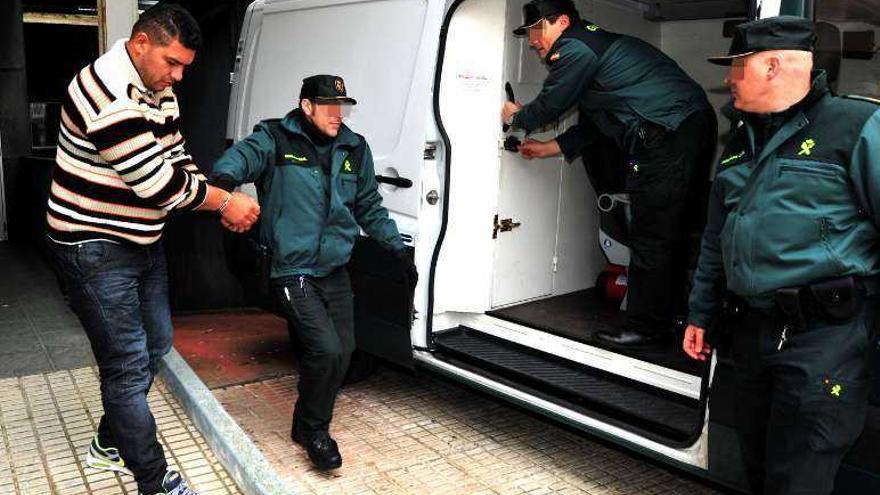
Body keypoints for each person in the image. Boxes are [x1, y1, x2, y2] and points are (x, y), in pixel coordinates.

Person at [46, 5, 260, 495]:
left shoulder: (156, 85)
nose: (179, 77)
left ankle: (109, 440)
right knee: (125, 365)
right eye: (172, 62)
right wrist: (224, 202)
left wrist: (209, 190)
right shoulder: (106, 95)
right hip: (93, 247)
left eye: (185, 65)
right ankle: (153, 482)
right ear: (139, 42)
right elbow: (159, 185)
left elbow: (176, 152)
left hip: (141, 241)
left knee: (157, 346)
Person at [683, 16, 880, 495]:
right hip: (749, 330)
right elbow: (717, 236)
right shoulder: (739, 141)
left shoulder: (857, 126)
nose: (729, 79)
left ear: (772, 66)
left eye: (737, 67)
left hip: (825, 337)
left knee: (799, 477)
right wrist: (701, 313)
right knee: (754, 464)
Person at [210, 74, 415, 471]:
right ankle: (314, 430)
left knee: (345, 350)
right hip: (291, 267)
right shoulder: (275, 139)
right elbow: (238, 160)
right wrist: (223, 188)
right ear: (306, 107)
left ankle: (307, 421)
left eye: (342, 106)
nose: (337, 114)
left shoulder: (355, 148)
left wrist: (396, 248)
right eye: (328, 106)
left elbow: (369, 205)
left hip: (334, 267)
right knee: (325, 350)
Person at [502, 0, 717, 347]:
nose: (532, 41)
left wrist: (515, 117)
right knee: (671, 232)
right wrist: (547, 147)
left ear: (562, 23)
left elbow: (552, 104)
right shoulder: (595, 51)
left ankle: (647, 327)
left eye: (537, 30)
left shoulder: (575, 48)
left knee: (651, 234)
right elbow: (597, 126)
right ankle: (673, 316)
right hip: (685, 129)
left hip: (668, 135)